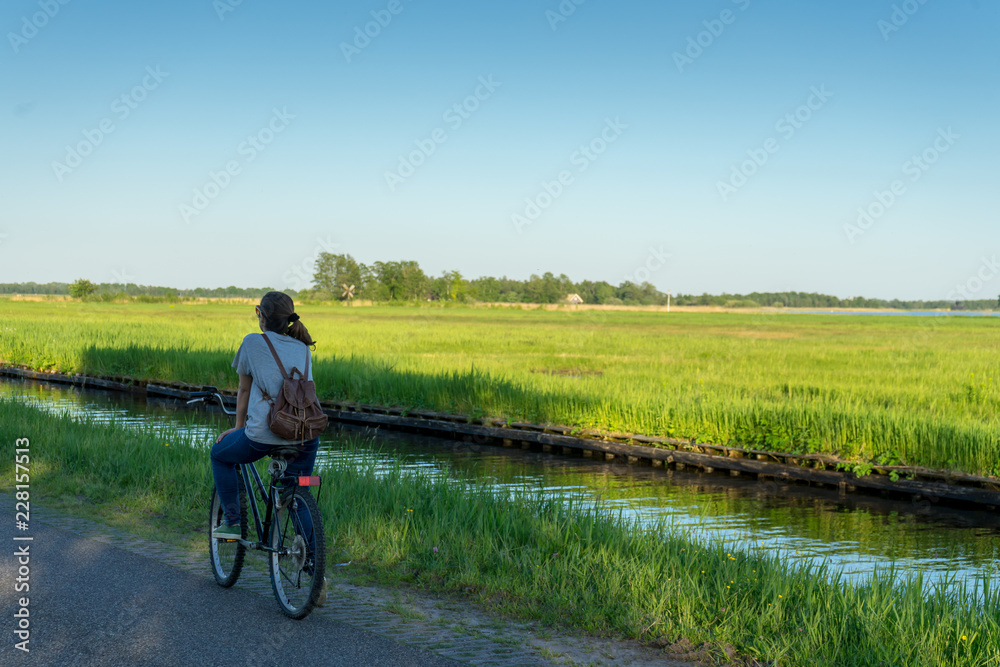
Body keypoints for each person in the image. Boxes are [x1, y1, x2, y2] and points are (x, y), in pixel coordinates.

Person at [210, 291, 320, 540]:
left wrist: (239, 426)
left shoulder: (252, 342)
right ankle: (314, 567)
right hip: (305, 434)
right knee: (297, 493)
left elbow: (244, 389)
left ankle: (233, 523)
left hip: (266, 432)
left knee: (219, 455)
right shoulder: (303, 348)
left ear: (260, 315)